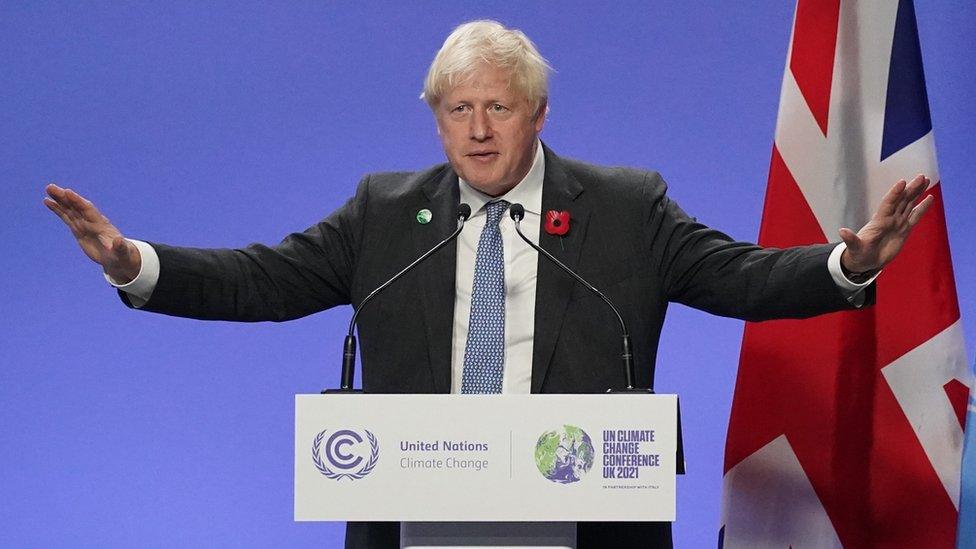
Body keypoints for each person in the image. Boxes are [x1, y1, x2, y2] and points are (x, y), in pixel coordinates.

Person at [44, 20, 933, 549]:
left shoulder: (626, 209)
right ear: (435, 117)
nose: (476, 131)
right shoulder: (385, 214)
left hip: (587, 521)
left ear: (537, 114)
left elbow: (738, 276)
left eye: (497, 108)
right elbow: (265, 279)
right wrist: (137, 263)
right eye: (456, 110)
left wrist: (847, 264)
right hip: (417, 519)